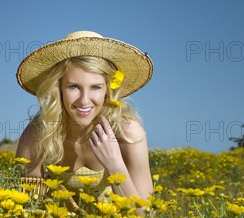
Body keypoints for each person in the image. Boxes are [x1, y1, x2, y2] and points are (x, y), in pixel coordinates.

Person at [15, 31, 154, 203]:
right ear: (58, 88)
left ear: (108, 90)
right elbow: (27, 206)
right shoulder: (39, 133)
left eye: (95, 87)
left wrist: (114, 164)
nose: (84, 100)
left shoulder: (128, 134)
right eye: (73, 87)